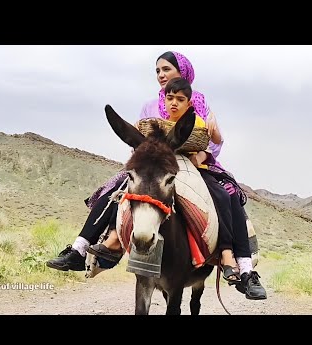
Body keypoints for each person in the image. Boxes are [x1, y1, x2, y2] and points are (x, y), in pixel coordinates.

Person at [46, 50, 266, 299]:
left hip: (195, 163)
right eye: (158, 71)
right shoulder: (149, 106)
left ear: (182, 73)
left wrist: (202, 156)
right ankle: (81, 249)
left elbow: (212, 143)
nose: (161, 75)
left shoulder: (199, 103)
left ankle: (244, 270)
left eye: (166, 69)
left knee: (227, 195)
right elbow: (140, 141)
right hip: (156, 164)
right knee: (115, 189)